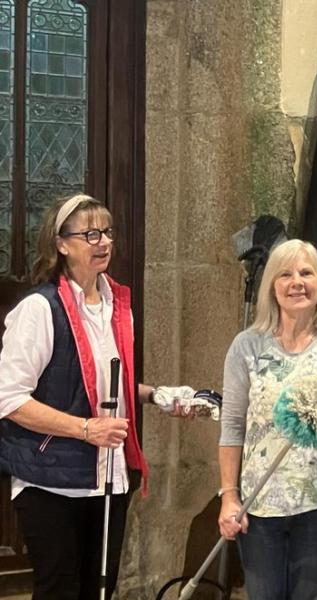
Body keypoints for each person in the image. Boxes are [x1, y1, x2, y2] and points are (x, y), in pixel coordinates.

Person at [0, 193, 153, 599]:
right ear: (61, 244)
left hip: (107, 476)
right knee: (60, 591)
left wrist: (158, 396)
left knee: (99, 590)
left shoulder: (116, 304)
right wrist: (86, 429)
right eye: (90, 234)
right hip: (51, 481)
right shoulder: (39, 309)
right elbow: (9, 399)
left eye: (107, 232)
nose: (104, 242)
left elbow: (100, 385)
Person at [218, 239, 317, 600]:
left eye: (306, 273)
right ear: (271, 286)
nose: (296, 282)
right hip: (259, 506)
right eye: (285, 275)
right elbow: (232, 426)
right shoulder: (247, 346)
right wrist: (229, 496)